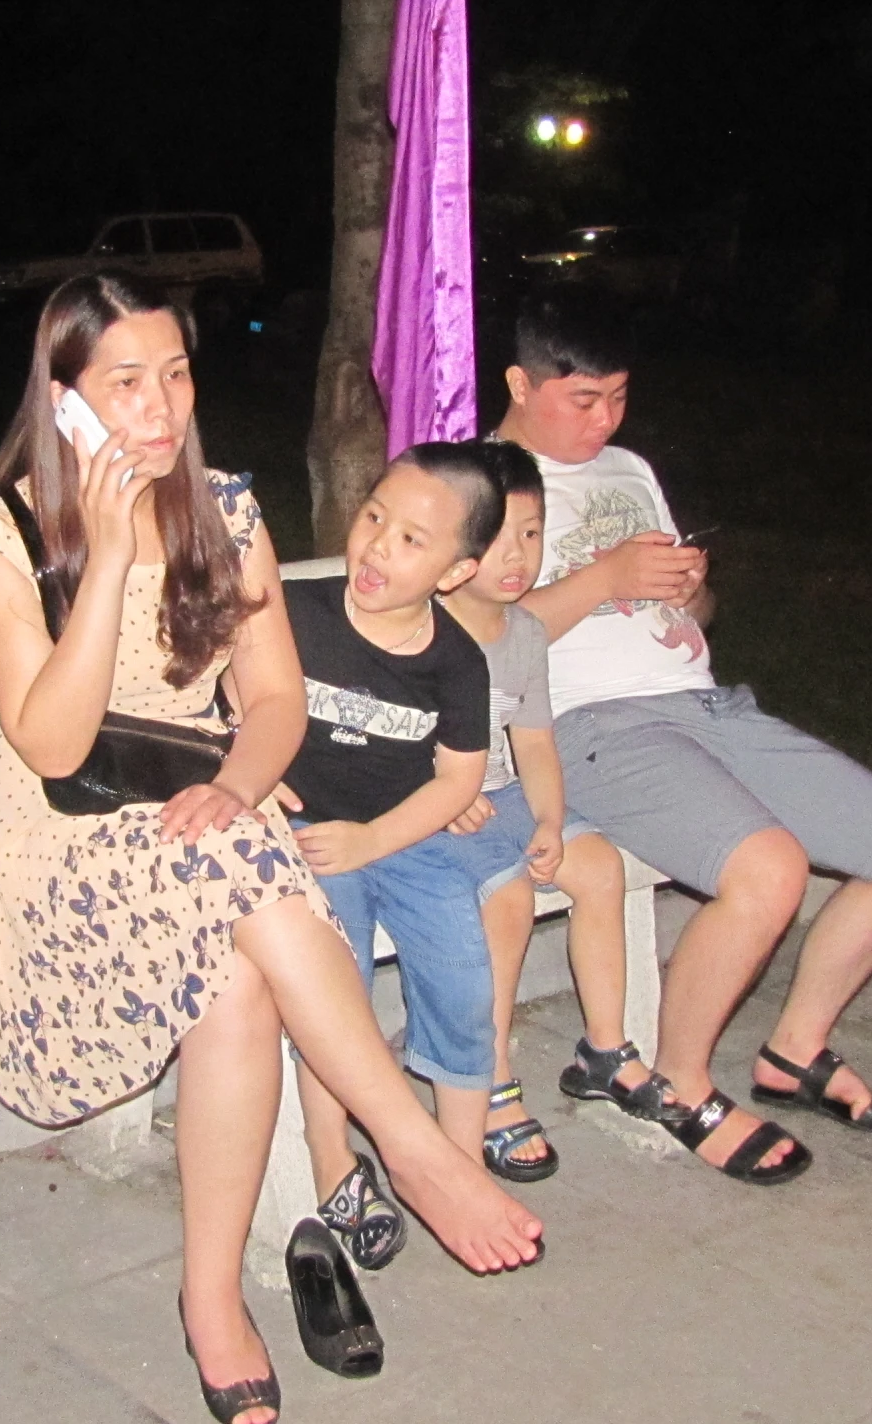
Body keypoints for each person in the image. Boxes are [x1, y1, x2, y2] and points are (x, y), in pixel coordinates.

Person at [0, 273, 540, 1424]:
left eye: (174, 373)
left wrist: (232, 782)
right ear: (63, 396)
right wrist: (112, 556)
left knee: (232, 972)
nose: (160, 407)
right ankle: (412, 1150)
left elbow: (273, 702)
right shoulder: (2, 538)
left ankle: (209, 1294)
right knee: (245, 873)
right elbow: (56, 743)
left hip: (205, 810)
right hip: (63, 846)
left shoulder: (228, 509)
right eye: (125, 381)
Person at [498, 284, 872, 1183]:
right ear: (519, 382)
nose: (605, 419)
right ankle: (678, 1082)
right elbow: (482, 638)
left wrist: (687, 584)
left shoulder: (629, 469)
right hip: (584, 726)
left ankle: (794, 1049)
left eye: (618, 396)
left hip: (701, 704)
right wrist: (608, 575)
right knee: (768, 868)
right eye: (582, 399)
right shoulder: (479, 480)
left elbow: (696, 609)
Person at [272, 442, 509, 1267]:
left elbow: (457, 780)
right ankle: (336, 1165)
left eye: (413, 539)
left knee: (463, 975)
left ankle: (458, 1161)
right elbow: (228, 694)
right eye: (375, 517)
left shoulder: (456, 663)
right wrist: (252, 772)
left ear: (456, 571)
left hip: (402, 838)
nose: (377, 546)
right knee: (333, 990)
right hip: (305, 844)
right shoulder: (293, 611)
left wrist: (378, 837)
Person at [425, 443, 633, 1184]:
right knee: (508, 898)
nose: (516, 557)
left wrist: (550, 821)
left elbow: (536, 745)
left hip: (508, 801)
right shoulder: (421, 629)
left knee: (599, 865)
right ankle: (492, 1073)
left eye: (533, 533)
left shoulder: (524, 634)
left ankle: (605, 1051)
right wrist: (446, 800)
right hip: (436, 812)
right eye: (497, 536)